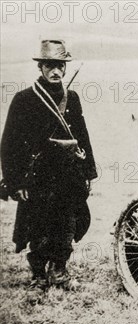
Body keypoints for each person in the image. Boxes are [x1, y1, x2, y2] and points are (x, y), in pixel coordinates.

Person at [0, 40, 97, 290]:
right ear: (41, 68)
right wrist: (16, 182)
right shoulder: (24, 99)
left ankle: (59, 270)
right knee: (37, 226)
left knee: (67, 225)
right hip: (38, 177)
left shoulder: (71, 98)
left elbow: (82, 135)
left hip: (68, 174)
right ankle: (38, 274)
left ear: (65, 69)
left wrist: (89, 173)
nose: (55, 71)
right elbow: (10, 143)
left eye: (60, 66)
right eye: (50, 66)